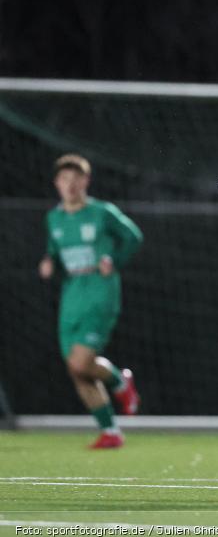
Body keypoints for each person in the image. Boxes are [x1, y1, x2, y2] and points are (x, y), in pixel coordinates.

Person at [39, 154, 143, 449]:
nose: (70, 185)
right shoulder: (54, 218)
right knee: (76, 369)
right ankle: (111, 431)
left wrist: (115, 259)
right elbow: (54, 250)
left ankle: (122, 384)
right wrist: (49, 262)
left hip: (100, 290)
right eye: (64, 180)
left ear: (86, 181)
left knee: (80, 361)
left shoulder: (102, 212)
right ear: (57, 183)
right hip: (71, 295)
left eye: (76, 179)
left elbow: (133, 236)